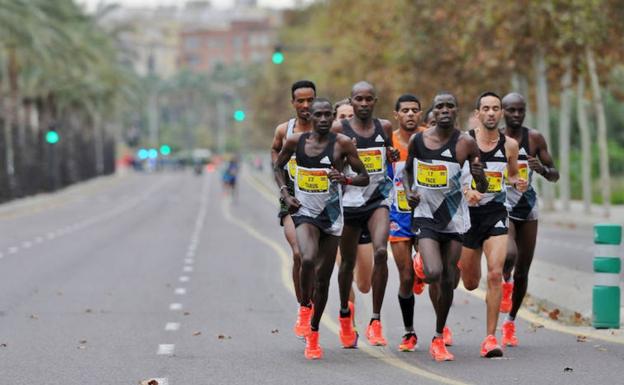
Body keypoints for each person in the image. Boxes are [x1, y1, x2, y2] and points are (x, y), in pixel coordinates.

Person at [273, 98, 369, 360]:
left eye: (329, 115)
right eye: (320, 115)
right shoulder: (295, 142)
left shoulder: (343, 144)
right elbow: (278, 166)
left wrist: (345, 178)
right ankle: (305, 307)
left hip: (332, 216)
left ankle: (314, 333)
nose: (325, 119)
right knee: (306, 257)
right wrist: (285, 193)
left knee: (324, 279)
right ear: (311, 117)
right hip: (304, 212)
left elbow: (364, 177)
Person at [403, 91, 487, 361]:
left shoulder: (466, 144)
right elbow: (406, 171)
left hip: (454, 218)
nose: (445, 110)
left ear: (457, 111)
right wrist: (408, 191)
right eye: (440, 106)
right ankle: (421, 265)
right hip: (426, 213)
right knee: (433, 272)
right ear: (433, 111)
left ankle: (438, 337)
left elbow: (481, 186)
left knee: (449, 279)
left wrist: (479, 178)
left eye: (450, 106)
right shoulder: (419, 140)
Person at [458, 92, 528, 358]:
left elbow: (512, 174)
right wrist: (466, 192)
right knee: (471, 282)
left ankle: (490, 338)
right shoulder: (464, 141)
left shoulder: (509, 145)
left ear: (501, 113)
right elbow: (452, 177)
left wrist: (518, 181)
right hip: (467, 217)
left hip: (495, 213)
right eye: (485, 108)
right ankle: (459, 263)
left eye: (495, 108)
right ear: (477, 113)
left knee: (496, 274)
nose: (490, 113)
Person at [331, 81, 399, 347]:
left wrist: (391, 154)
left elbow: (388, 155)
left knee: (381, 252)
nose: (363, 104)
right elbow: (330, 162)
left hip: (377, 200)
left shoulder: (384, 127)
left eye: (368, 99)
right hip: (348, 203)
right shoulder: (340, 129)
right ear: (352, 100)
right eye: (358, 99)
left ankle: (375, 321)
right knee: (346, 263)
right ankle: (346, 316)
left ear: (375, 101)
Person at [500, 92, 559, 347]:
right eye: (511, 110)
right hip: (501, 205)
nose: (515, 115)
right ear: (502, 111)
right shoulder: (494, 137)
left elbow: (555, 174)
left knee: (523, 269)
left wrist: (542, 169)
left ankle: (510, 321)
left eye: (520, 110)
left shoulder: (533, 138)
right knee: (509, 254)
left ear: (525, 111)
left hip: (528, 207)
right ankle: (504, 282)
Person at [270, 80, 316, 338]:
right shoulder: (284, 130)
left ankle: (312, 303)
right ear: (293, 103)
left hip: (321, 202)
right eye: (301, 101)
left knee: (318, 262)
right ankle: (304, 308)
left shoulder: (326, 128)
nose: (306, 105)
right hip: (293, 201)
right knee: (300, 253)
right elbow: (275, 154)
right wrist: (284, 190)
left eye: (310, 100)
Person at [387, 94, 426, 352]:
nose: (410, 114)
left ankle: (441, 327)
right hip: (398, 214)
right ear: (396, 115)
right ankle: (409, 331)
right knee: (405, 275)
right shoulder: (387, 143)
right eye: (405, 110)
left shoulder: (430, 138)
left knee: (431, 270)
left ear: (420, 113)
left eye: (414, 110)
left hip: (426, 213)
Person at [333, 99, 374, 319]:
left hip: (364, 212)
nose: (348, 121)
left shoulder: (367, 144)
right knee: (345, 271)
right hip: (340, 216)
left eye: (351, 116)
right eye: (342, 117)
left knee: (365, 284)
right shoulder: (328, 147)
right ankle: (347, 319)